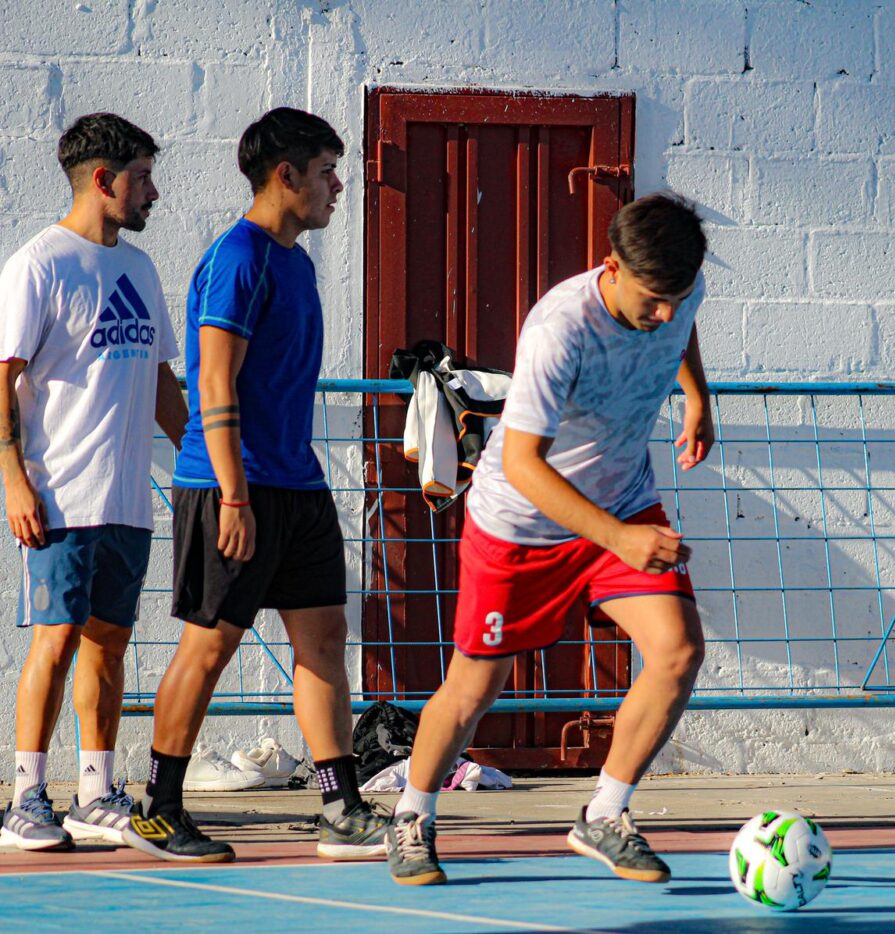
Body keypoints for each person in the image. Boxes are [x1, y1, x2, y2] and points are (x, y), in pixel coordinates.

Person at [386, 192, 712, 886]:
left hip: (621, 500)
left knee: (679, 650)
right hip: (521, 524)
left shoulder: (680, 291)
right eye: (652, 300)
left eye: (678, 298)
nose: (665, 314)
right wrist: (620, 539)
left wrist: (698, 397)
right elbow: (522, 464)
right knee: (474, 688)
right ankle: (412, 815)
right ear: (612, 267)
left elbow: (681, 331)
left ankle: (604, 813)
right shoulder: (560, 329)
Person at [122, 108, 387, 863]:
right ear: (286, 175)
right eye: (328, 172)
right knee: (210, 645)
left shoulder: (295, 262)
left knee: (325, 638)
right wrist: (234, 495)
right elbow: (213, 381)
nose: (338, 187)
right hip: (231, 487)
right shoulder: (238, 258)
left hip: (297, 484)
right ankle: (158, 809)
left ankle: (340, 806)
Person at [0, 113, 187, 851]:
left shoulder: (139, 269)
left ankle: (94, 792)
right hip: (58, 496)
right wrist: (14, 479)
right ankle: (26, 797)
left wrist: (204, 464)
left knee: (109, 644)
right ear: (104, 180)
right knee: (55, 640)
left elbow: (163, 382)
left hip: (127, 500)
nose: (155, 193)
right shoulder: (39, 264)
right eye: (142, 178)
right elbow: (3, 377)